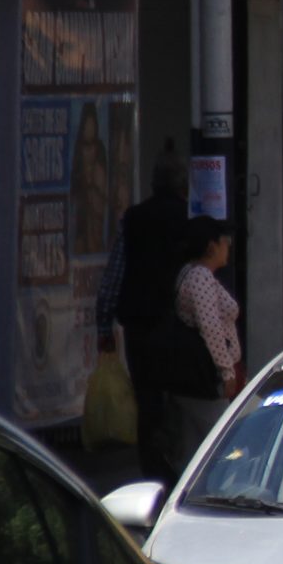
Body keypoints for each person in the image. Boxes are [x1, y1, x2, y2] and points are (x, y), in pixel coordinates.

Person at [97, 155, 190, 481]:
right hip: (178, 326)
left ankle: (152, 469)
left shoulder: (134, 219)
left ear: (152, 185)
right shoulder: (187, 219)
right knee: (180, 399)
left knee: (147, 399)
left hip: (140, 325)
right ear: (183, 186)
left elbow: (113, 276)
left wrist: (103, 324)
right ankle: (177, 465)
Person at [172, 217, 243, 468]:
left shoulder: (193, 274)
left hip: (195, 378)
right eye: (226, 241)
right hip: (205, 376)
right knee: (227, 442)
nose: (229, 247)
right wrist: (227, 371)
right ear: (211, 246)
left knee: (195, 450)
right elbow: (210, 326)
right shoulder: (200, 276)